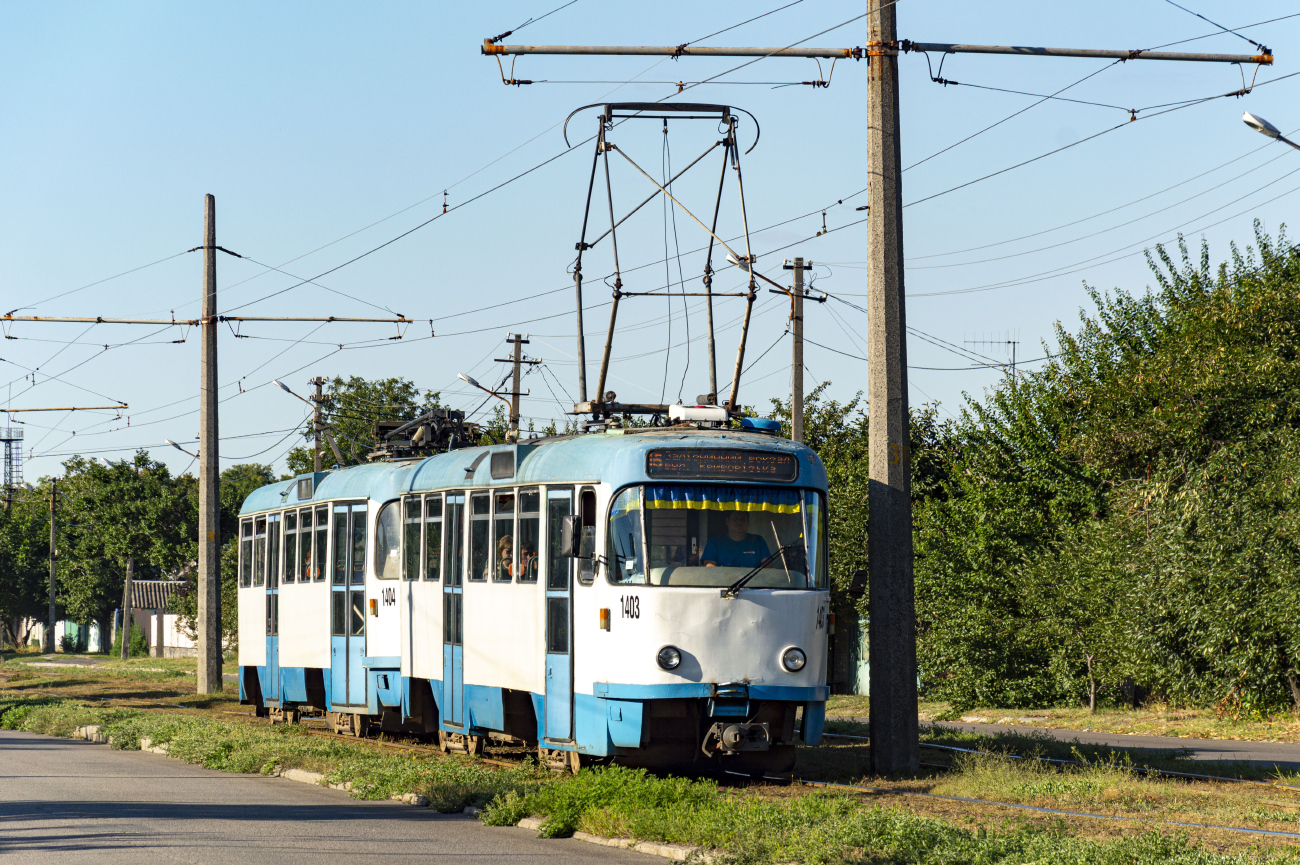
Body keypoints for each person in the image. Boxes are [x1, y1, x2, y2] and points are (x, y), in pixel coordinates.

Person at [701, 511, 771, 568]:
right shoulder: (714, 542)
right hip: (724, 583)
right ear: (727, 521)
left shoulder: (758, 541)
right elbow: (709, 565)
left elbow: (768, 564)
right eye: (735, 519)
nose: (740, 522)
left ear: (748, 522)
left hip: (752, 583)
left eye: (743, 519)